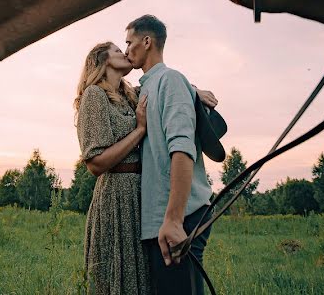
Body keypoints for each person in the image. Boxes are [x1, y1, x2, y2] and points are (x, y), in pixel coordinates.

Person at [75, 42, 219, 295]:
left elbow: (163, 87)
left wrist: (193, 90)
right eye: (119, 50)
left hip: (141, 196)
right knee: (117, 272)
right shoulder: (94, 95)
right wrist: (140, 130)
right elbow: (95, 163)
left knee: (144, 275)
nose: (126, 52)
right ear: (102, 59)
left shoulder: (131, 94)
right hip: (116, 195)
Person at [124, 14, 213, 295]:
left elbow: (182, 149)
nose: (126, 50)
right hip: (158, 221)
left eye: (129, 42)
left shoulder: (170, 80)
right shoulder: (146, 88)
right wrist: (194, 89)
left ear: (147, 41)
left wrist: (174, 220)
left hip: (179, 219)